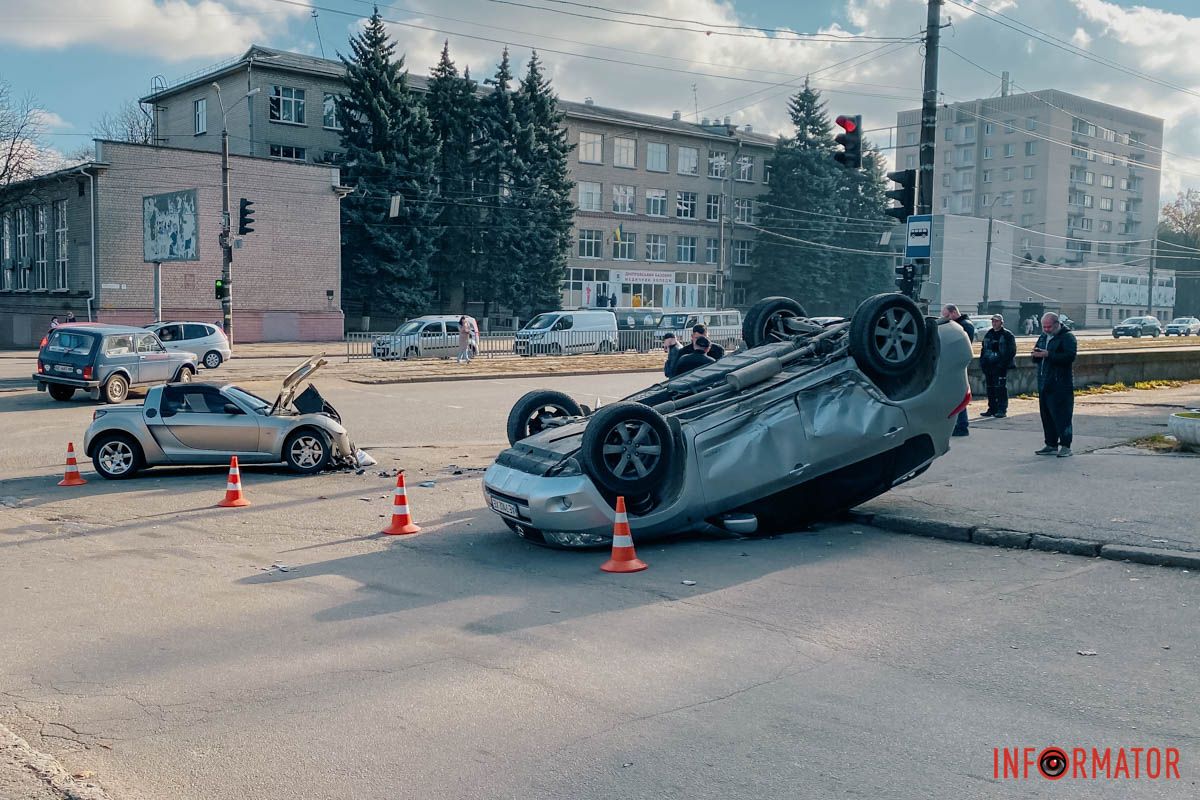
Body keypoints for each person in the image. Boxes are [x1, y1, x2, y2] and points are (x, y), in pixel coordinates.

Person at [1032, 312, 1078, 457]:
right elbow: (1037, 355)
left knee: (1062, 416)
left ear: (1057, 324)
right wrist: (1036, 355)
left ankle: (1066, 446)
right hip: (1044, 382)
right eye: (1044, 327)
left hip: (1060, 384)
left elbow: (1069, 357)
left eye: (1049, 327)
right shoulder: (1043, 337)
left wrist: (1048, 354)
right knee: (1046, 416)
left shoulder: (1067, 337)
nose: (1046, 329)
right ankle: (1050, 444)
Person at [941, 304, 974, 436]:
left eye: (947, 316)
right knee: (956, 396)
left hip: (958, 365)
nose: (946, 319)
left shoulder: (964, 326)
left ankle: (962, 425)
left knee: (959, 396)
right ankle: (959, 424)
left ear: (954, 312)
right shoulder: (961, 325)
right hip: (956, 364)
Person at [979, 314, 1016, 419]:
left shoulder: (1007, 335)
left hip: (1001, 366)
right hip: (989, 365)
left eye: (996, 321)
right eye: (993, 321)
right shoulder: (989, 334)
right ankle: (992, 408)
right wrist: (983, 362)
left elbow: (1011, 351)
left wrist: (1002, 364)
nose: (994, 323)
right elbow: (984, 349)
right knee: (990, 388)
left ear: (1001, 322)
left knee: (1000, 388)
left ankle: (1002, 409)